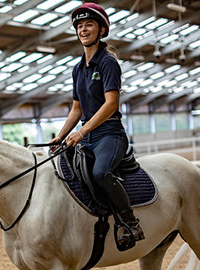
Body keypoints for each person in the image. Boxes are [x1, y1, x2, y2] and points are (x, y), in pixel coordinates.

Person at [50, 2, 144, 245]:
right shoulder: (77, 68)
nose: (83, 29)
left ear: (101, 30)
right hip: (87, 135)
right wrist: (61, 136)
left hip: (109, 134)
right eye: (79, 26)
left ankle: (130, 222)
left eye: (89, 24)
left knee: (101, 172)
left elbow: (111, 104)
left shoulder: (108, 62)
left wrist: (81, 132)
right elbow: (76, 109)